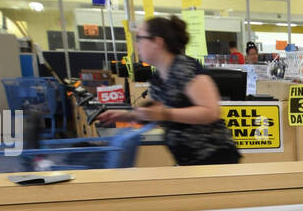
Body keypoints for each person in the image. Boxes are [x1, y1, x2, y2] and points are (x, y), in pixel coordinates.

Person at [97, 15, 241, 165]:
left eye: (140, 38)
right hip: (188, 160)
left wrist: (165, 114)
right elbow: (156, 112)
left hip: (215, 159)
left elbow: (210, 112)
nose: (137, 44)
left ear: (158, 42)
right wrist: (127, 116)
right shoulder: (158, 76)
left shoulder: (185, 68)